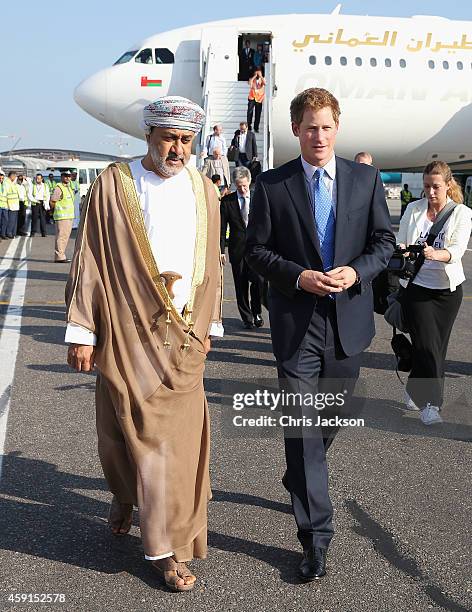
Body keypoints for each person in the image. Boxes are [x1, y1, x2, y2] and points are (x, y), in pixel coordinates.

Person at [65, 95, 223, 593]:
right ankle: (124, 493)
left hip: (184, 335)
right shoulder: (115, 184)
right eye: (168, 138)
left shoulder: (206, 190)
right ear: (148, 137)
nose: (177, 149)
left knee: (172, 442)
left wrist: (211, 324)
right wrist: (82, 331)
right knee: (118, 433)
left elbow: (213, 264)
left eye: (186, 141)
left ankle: (167, 548)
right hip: (124, 329)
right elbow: (89, 254)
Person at [246, 87, 395, 581]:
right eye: (310, 127)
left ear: (338, 127)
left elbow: (383, 242)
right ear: (296, 130)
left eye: (327, 126)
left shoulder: (365, 179)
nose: (319, 135)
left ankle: (299, 474)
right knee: (304, 427)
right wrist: (297, 276)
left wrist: (356, 273)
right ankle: (316, 538)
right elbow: (255, 251)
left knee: (329, 421)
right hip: (296, 324)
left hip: (348, 322)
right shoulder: (273, 184)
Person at [397, 161, 472, 425]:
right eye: (427, 186)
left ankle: (414, 388)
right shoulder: (413, 209)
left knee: (435, 348)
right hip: (417, 288)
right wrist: (405, 249)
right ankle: (431, 404)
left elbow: (457, 250)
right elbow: (401, 240)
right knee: (427, 345)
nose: (430, 192)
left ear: (448, 185)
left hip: (447, 293)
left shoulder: (461, 213)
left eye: (436, 187)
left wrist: (434, 253)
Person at [221, 166, 264, 329]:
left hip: (257, 249)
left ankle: (257, 312)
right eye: (239, 186)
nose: (242, 189)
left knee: (259, 281)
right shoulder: (227, 201)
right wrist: (221, 250)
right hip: (237, 249)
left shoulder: (258, 197)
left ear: (249, 181)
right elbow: (222, 227)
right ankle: (247, 318)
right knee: (240, 284)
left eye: (244, 185)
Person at [49, 171, 75, 262]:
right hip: (62, 216)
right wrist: (52, 211)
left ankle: (61, 255)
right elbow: (52, 201)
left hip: (68, 216)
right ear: (62, 177)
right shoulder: (59, 188)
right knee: (61, 237)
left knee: (65, 237)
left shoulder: (68, 187)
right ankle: (59, 257)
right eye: (65, 176)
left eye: (69, 176)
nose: (67, 178)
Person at [247, 69, 266, 133]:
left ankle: (256, 127)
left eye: (258, 73)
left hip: (259, 99)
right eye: (256, 73)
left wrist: (260, 76)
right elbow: (249, 83)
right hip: (252, 98)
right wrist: (254, 76)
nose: (257, 74)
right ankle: (249, 126)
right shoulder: (252, 79)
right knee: (250, 113)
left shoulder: (262, 79)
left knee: (258, 114)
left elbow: (265, 83)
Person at [0, 168, 8, 239]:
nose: (1, 179)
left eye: (2, 178)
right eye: (0, 178)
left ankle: (3, 234)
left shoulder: (5, 185)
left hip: (5, 206)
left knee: (5, 221)